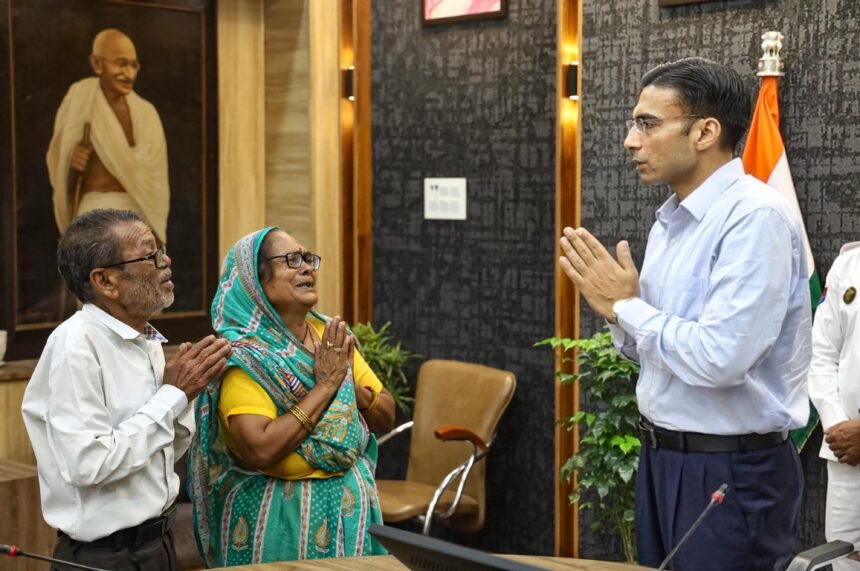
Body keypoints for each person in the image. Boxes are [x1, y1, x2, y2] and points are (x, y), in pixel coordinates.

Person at [558, 58, 811, 570]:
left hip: (731, 467)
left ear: (705, 132)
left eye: (647, 124)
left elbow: (721, 359)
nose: (631, 141)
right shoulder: (670, 221)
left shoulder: (754, 217)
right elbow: (658, 353)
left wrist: (627, 307)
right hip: (663, 459)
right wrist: (620, 316)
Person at [21, 208, 231, 571]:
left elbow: (160, 452)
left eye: (161, 250)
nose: (166, 261)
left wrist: (185, 398)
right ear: (106, 281)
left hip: (158, 545)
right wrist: (173, 395)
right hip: (105, 556)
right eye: (150, 254)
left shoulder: (145, 342)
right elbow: (89, 464)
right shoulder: (76, 346)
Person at [189, 227, 395, 566]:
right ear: (256, 281)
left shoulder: (329, 337)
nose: (307, 268)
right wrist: (326, 386)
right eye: (292, 260)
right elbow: (259, 448)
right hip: (277, 520)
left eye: (309, 258)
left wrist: (349, 389)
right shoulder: (247, 358)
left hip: (351, 513)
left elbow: (386, 414)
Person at [46, 28, 169, 245]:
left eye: (134, 65)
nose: (129, 73)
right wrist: (72, 164)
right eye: (121, 64)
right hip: (94, 212)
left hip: (139, 214)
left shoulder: (147, 113)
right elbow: (60, 171)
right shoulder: (81, 99)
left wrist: (155, 238)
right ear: (97, 64)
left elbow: (156, 191)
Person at [809, 243, 860, 569]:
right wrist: (838, 426)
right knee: (844, 560)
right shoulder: (848, 264)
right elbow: (822, 355)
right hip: (848, 458)